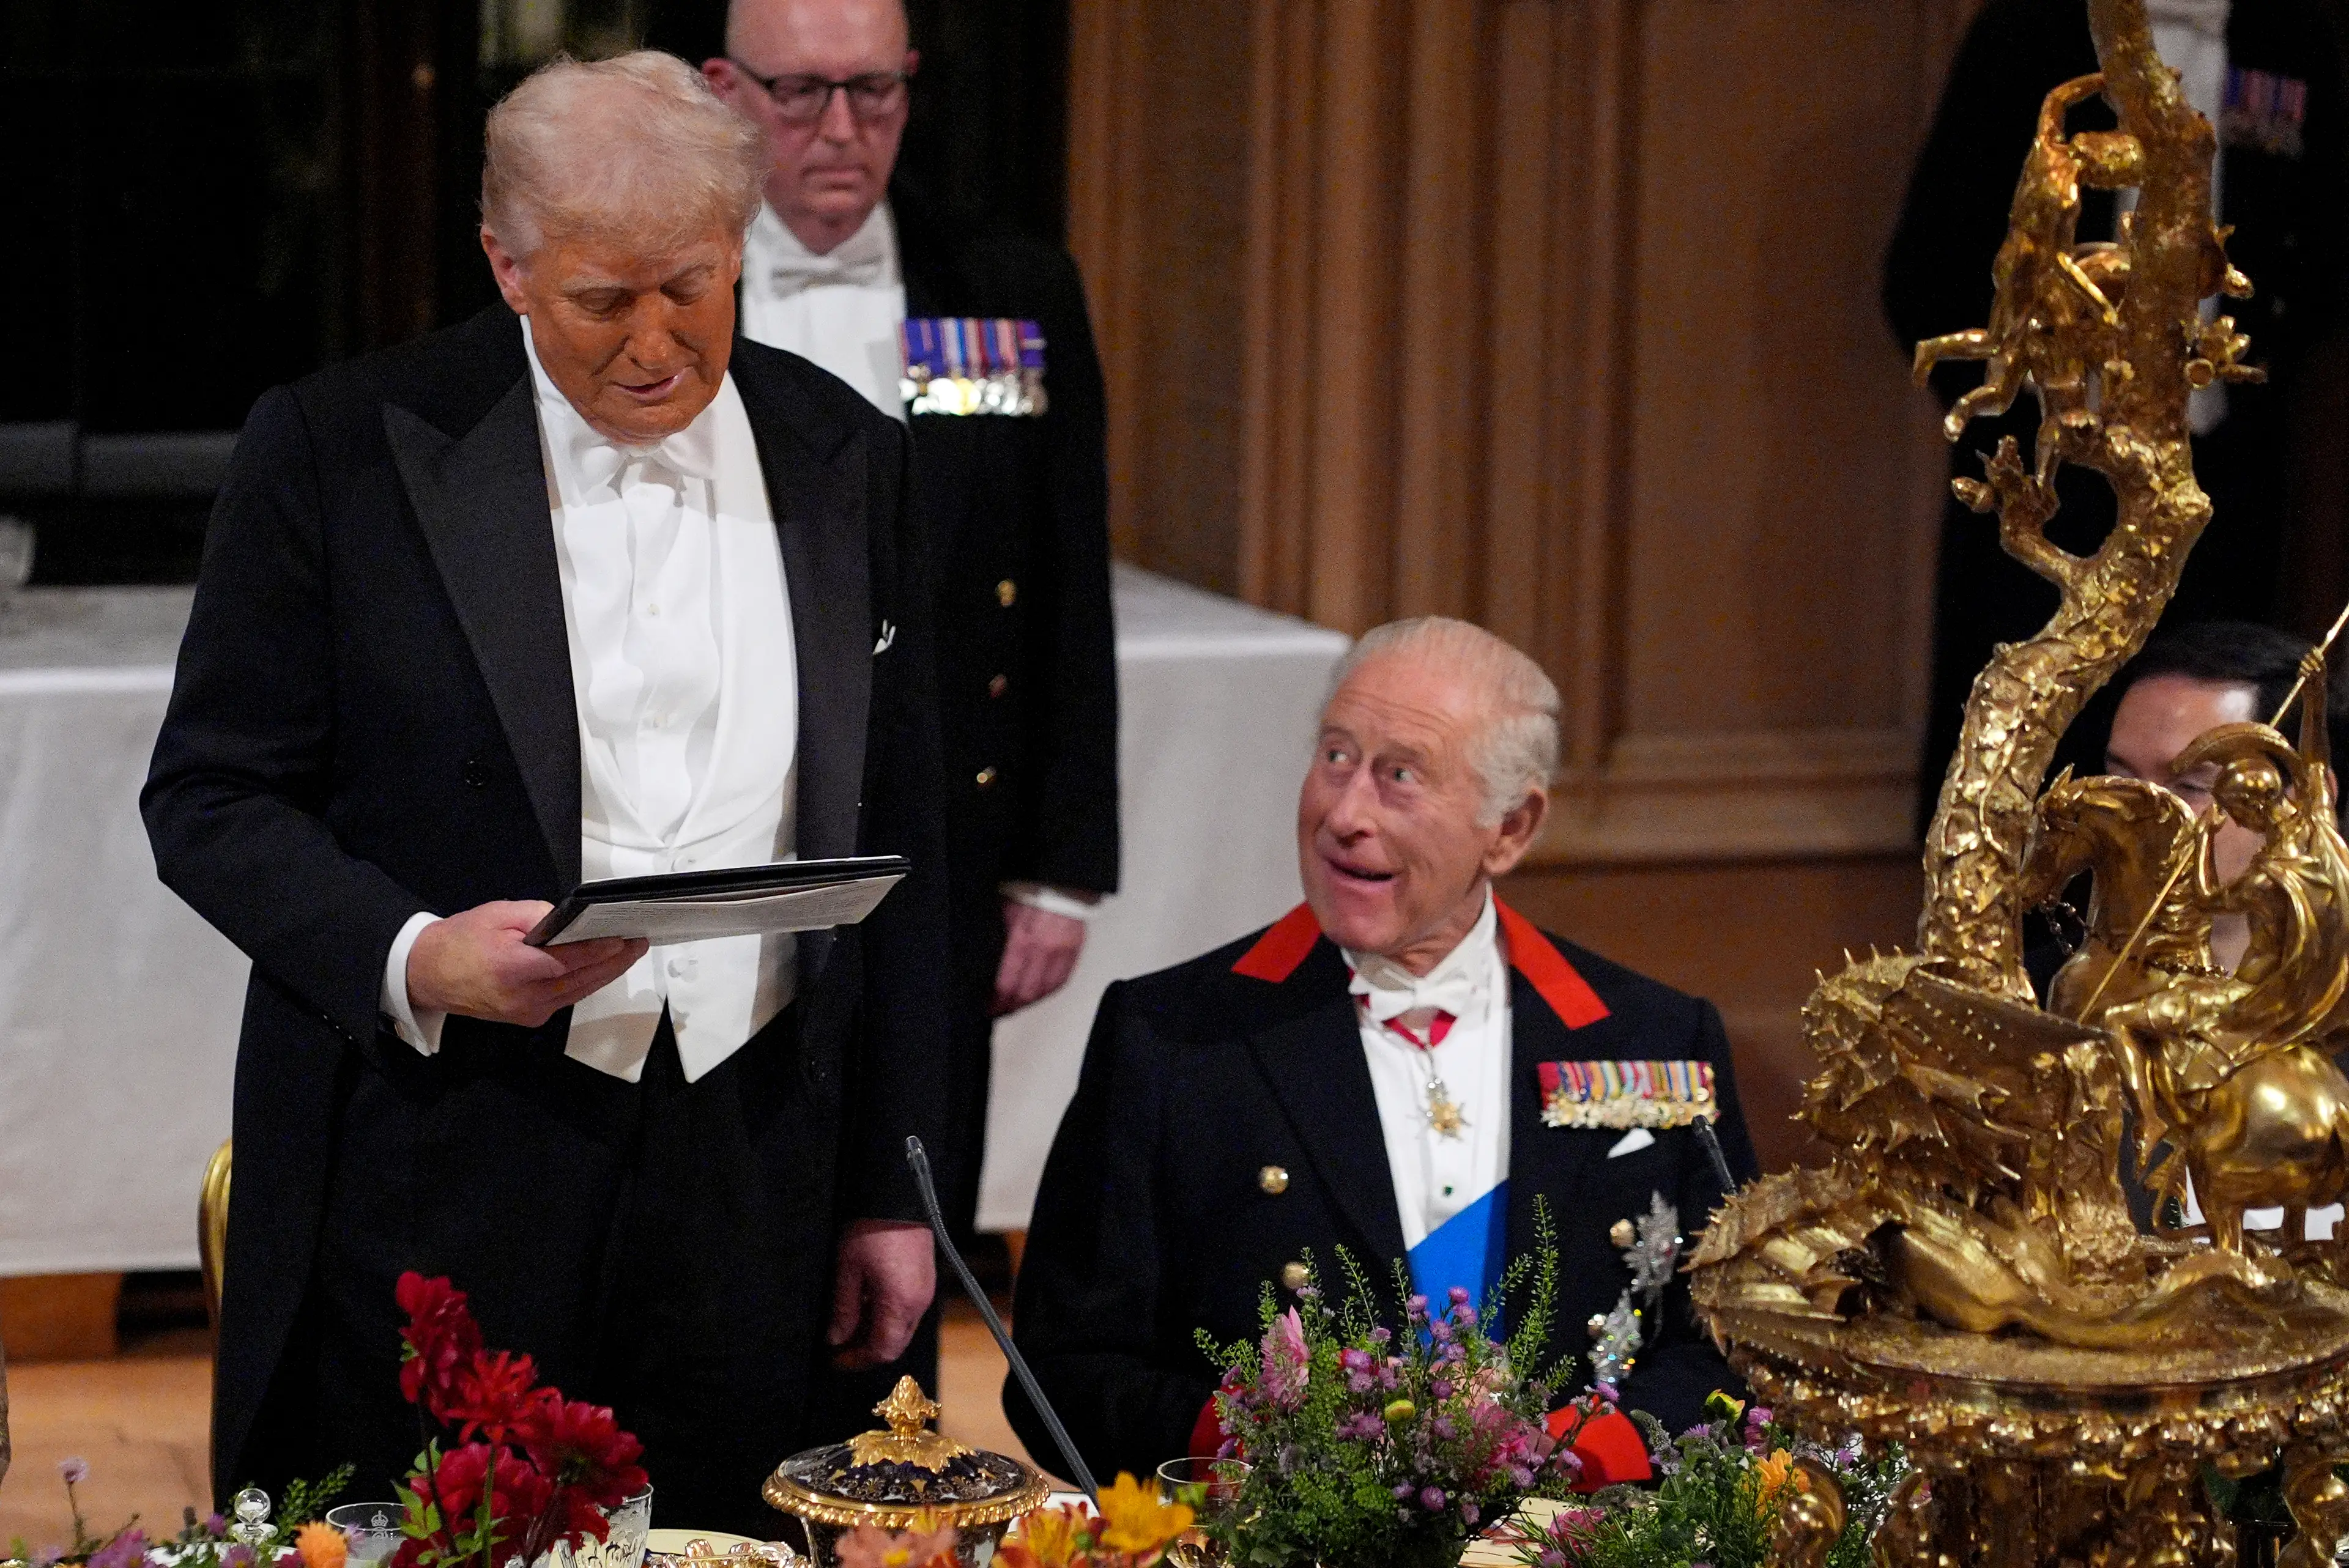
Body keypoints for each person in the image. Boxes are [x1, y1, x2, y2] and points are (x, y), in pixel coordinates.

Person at [142, 52, 947, 1531]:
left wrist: (899, 1186)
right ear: (507, 266)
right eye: (601, 298)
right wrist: (418, 955)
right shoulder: (337, 449)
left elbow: (910, 841)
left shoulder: (850, 455)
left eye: (691, 287)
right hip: (452, 1149)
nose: (655, 342)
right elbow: (210, 797)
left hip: (755, 1163)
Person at [1004, 618, 1757, 1482]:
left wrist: (1567, 1461)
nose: (1344, 814)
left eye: (1400, 776)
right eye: (1335, 757)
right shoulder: (1173, 1039)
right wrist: (1273, 1440)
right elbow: (1064, 1371)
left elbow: (1731, 1344)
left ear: (1510, 828)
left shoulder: (1656, 1039)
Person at [703, 0, 1119, 1415]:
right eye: (802, 94)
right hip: (730, 812)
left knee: (907, 1200)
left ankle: (890, 1483)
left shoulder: (1005, 288)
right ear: (725, 89)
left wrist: (1058, 867)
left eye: (874, 93)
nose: (842, 131)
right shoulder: (672, 284)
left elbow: (1064, 578)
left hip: (943, 832)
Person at [1885, 0, 2349, 830]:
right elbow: (1927, 270)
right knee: (2020, 755)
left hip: (2219, 486)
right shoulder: (2028, 30)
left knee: (2210, 757)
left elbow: (2324, 249)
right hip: (2050, 485)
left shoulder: (2293, 33)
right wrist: (2022, 428)